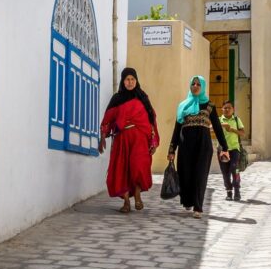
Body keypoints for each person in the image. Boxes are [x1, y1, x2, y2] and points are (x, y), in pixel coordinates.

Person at [168, 75, 229, 219]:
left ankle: (198, 206)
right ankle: (188, 200)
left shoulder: (209, 106)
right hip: (185, 146)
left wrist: (224, 147)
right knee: (185, 175)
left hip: (203, 146)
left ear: (202, 87)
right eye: (193, 84)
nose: (195, 86)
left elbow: (217, 127)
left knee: (200, 175)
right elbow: (177, 128)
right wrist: (172, 149)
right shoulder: (183, 106)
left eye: (198, 84)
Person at [99, 67, 159, 213]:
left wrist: (154, 141)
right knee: (122, 169)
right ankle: (126, 202)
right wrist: (103, 137)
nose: (130, 82)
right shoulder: (117, 99)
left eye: (133, 79)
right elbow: (108, 118)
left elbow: (151, 119)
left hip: (139, 138)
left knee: (138, 166)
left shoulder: (143, 97)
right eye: (127, 79)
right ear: (123, 81)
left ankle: (137, 194)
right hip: (122, 139)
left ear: (136, 81)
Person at [218, 101, 245, 202]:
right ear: (222, 109)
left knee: (235, 169)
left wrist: (232, 129)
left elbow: (242, 133)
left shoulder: (237, 119)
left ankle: (237, 191)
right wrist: (221, 125)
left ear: (233, 109)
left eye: (229, 108)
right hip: (222, 150)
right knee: (225, 173)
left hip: (234, 149)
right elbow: (210, 128)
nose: (227, 110)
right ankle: (229, 192)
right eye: (225, 108)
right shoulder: (219, 120)